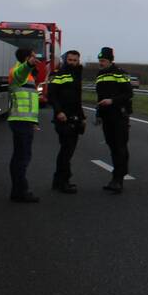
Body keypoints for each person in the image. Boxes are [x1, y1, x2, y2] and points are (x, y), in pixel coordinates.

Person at [95, 46, 133, 193]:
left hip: (119, 115)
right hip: (106, 116)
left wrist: (112, 101)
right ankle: (118, 175)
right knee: (112, 146)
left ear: (110, 60)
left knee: (119, 147)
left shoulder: (120, 73)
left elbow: (128, 94)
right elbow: (99, 96)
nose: (101, 63)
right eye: (100, 60)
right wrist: (98, 114)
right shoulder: (100, 74)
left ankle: (118, 179)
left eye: (103, 60)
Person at [47, 49, 85, 194]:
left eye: (75, 60)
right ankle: (63, 181)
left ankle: (58, 181)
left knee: (67, 150)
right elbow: (52, 95)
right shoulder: (59, 74)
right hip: (63, 118)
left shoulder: (77, 75)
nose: (73, 63)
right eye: (70, 60)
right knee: (66, 151)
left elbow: (77, 100)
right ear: (65, 60)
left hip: (75, 117)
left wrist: (82, 117)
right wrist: (59, 112)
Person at [8, 48, 41, 203]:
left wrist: (34, 122)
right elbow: (19, 73)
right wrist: (28, 64)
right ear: (27, 58)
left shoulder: (28, 75)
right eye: (33, 56)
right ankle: (21, 191)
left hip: (25, 121)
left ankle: (18, 190)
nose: (36, 58)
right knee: (22, 157)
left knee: (20, 156)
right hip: (20, 121)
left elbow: (31, 101)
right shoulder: (19, 71)